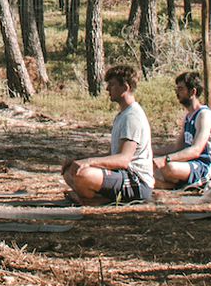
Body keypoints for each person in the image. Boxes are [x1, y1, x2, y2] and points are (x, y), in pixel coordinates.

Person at [61, 64, 154, 205]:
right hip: (121, 175)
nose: (107, 89)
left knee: (83, 174)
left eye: (112, 85)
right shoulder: (122, 115)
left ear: (125, 88)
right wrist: (80, 160)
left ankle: (94, 200)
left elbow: (123, 160)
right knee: (70, 171)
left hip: (137, 182)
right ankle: (94, 198)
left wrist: (89, 162)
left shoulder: (132, 116)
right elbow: (112, 155)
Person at [152, 71, 211, 189]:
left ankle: (176, 186)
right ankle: (176, 187)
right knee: (149, 168)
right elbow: (177, 148)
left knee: (169, 168)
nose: (177, 93)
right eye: (176, 89)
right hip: (191, 165)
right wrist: (151, 151)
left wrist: (165, 159)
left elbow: (196, 150)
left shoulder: (204, 115)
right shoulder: (188, 117)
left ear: (193, 92)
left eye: (181, 89)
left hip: (208, 167)